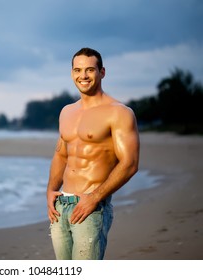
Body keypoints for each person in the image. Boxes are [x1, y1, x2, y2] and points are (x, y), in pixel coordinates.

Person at [47, 47, 140, 260]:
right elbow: (61, 155)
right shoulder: (66, 111)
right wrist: (50, 191)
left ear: (102, 72)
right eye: (78, 70)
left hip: (90, 208)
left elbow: (130, 163)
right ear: (72, 73)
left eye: (90, 70)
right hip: (61, 207)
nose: (83, 76)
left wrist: (94, 198)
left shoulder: (119, 113)